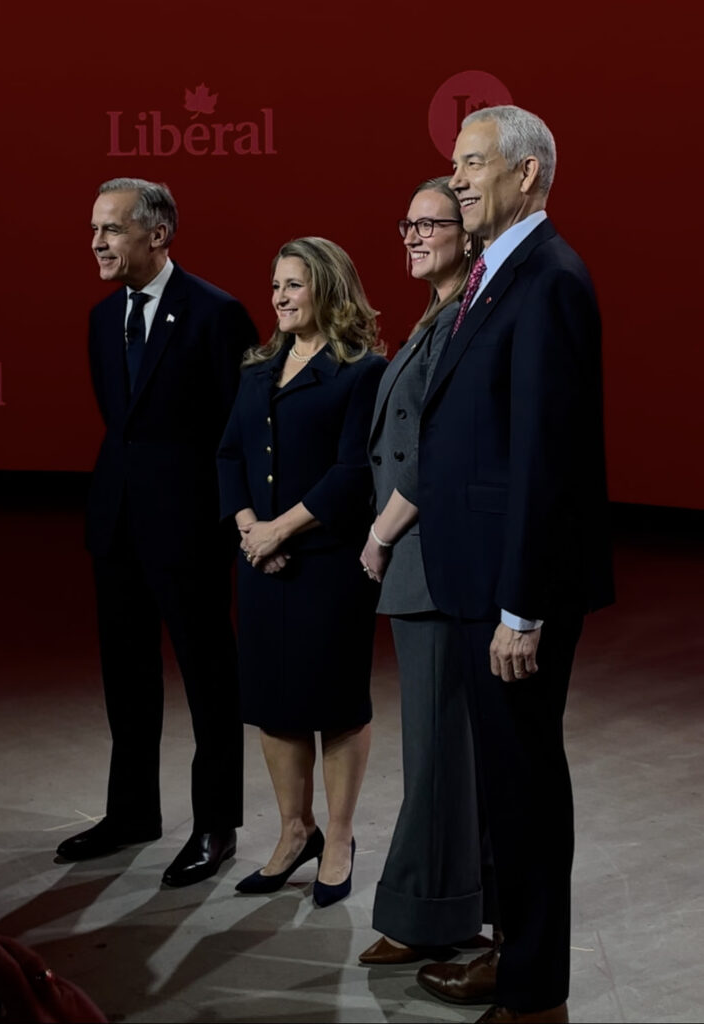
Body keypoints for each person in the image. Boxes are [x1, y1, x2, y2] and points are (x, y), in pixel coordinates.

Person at [414, 108, 614, 1023]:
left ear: (527, 175)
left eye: (471, 164)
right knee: (503, 785)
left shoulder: (549, 280)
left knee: (526, 791)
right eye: (452, 164)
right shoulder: (497, 274)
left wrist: (520, 609)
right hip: (476, 581)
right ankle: (510, 951)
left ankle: (537, 997)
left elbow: (545, 457)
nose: (455, 180)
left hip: (510, 592)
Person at [56, 178, 259, 888]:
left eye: (110, 230)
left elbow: (236, 432)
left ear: (158, 233)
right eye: (94, 230)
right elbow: (124, 429)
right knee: (127, 677)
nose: (97, 244)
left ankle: (215, 825)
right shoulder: (97, 319)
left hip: (192, 530)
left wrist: (234, 521)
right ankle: (132, 811)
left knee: (209, 679)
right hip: (116, 525)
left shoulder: (216, 315)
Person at [216, 237, 386, 906]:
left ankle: (338, 839)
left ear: (327, 288)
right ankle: (295, 832)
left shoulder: (360, 371)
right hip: (261, 559)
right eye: (275, 285)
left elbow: (353, 473)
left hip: (327, 564)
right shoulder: (257, 368)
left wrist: (278, 530)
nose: (280, 296)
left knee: (335, 704)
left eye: (294, 284)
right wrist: (248, 531)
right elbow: (228, 455)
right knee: (273, 703)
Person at [356, 177, 498, 967]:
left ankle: (429, 919)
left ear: (466, 233)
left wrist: (379, 534)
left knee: (438, 754)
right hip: (422, 567)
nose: (409, 236)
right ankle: (444, 909)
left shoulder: (459, 322)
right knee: (443, 750)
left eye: (428, 224)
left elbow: (436, 453)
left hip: (430, 564)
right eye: (404, 223)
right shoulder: (437, 316)